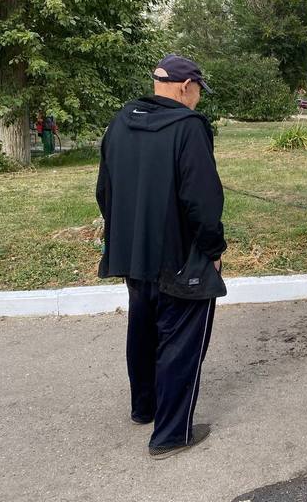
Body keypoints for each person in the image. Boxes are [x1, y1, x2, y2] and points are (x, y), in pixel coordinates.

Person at [96, 54, 227, 459]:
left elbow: (105, 191)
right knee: (181, 339)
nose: (199, 100)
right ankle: (171, 434)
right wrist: (214, 250)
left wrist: (124, 237)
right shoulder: (188, 128)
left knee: (143, 328)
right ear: (186, 88)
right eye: (198, 92)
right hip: (181, 257)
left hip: (134, 255)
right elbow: (202, 202)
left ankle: (144, 408)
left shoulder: (120, 122)